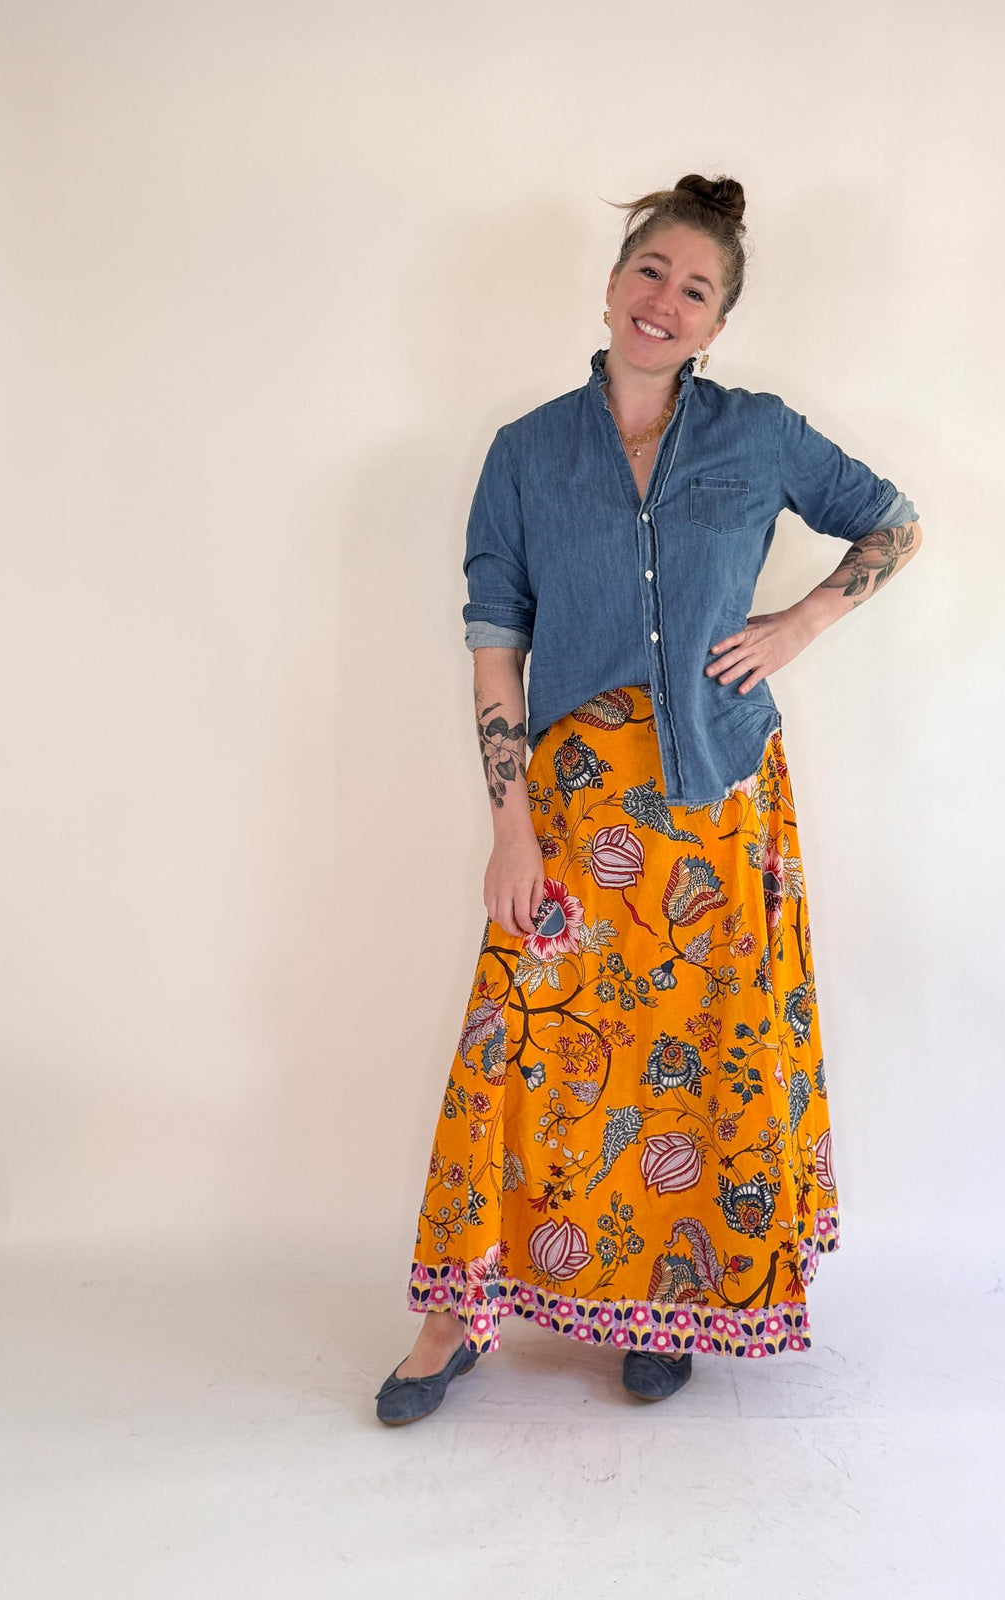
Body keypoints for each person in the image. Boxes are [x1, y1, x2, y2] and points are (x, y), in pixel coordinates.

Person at [376, 173, 922, 1425]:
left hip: (717, 793)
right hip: (572, 805)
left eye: (696, 290)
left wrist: (799, 622)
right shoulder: (524, 454)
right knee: (517, 1043)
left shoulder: (761, 432)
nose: (665, 303)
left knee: (697, 1058)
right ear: (614, 281)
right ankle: (456, 1316)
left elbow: (890, 523)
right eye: (651, 275)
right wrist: (509, 824)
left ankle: (672, 1302)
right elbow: (494, 642)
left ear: (718, 322)